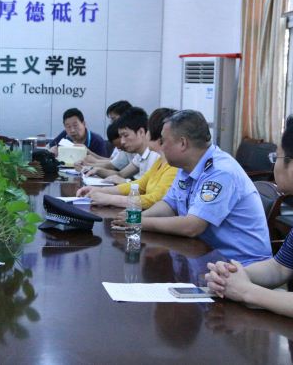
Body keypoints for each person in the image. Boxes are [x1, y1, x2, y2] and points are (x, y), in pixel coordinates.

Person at [206, 114, 293, 345]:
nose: (274, 164)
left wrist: (246, 291)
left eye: (277, 157)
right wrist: (232, 276)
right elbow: (279, 268)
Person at [112, 109, 271, 266]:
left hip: (241, 266)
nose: (161, 147)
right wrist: (137, 217)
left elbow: (192, 226)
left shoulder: (220, 172)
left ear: (183, 143)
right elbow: (169, 204)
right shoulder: (186, 166)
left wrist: (138, 222)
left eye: (163, 141)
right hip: (206, 257)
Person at [77, 108, 178, 208]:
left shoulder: (171, 164)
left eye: (148, 130)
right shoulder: (160, 161)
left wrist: (109, 198)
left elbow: (156, 200)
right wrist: (100, 190)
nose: (122, 142)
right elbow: (140, 185)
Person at [85, 107, 158, 182]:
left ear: (141, 132)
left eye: (126, 135)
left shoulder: (155, 156)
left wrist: (125, 182)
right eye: (121, 136)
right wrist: (97, 170)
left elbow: (149, 188)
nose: (122, 142)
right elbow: (121, 174)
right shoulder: (139, 155)